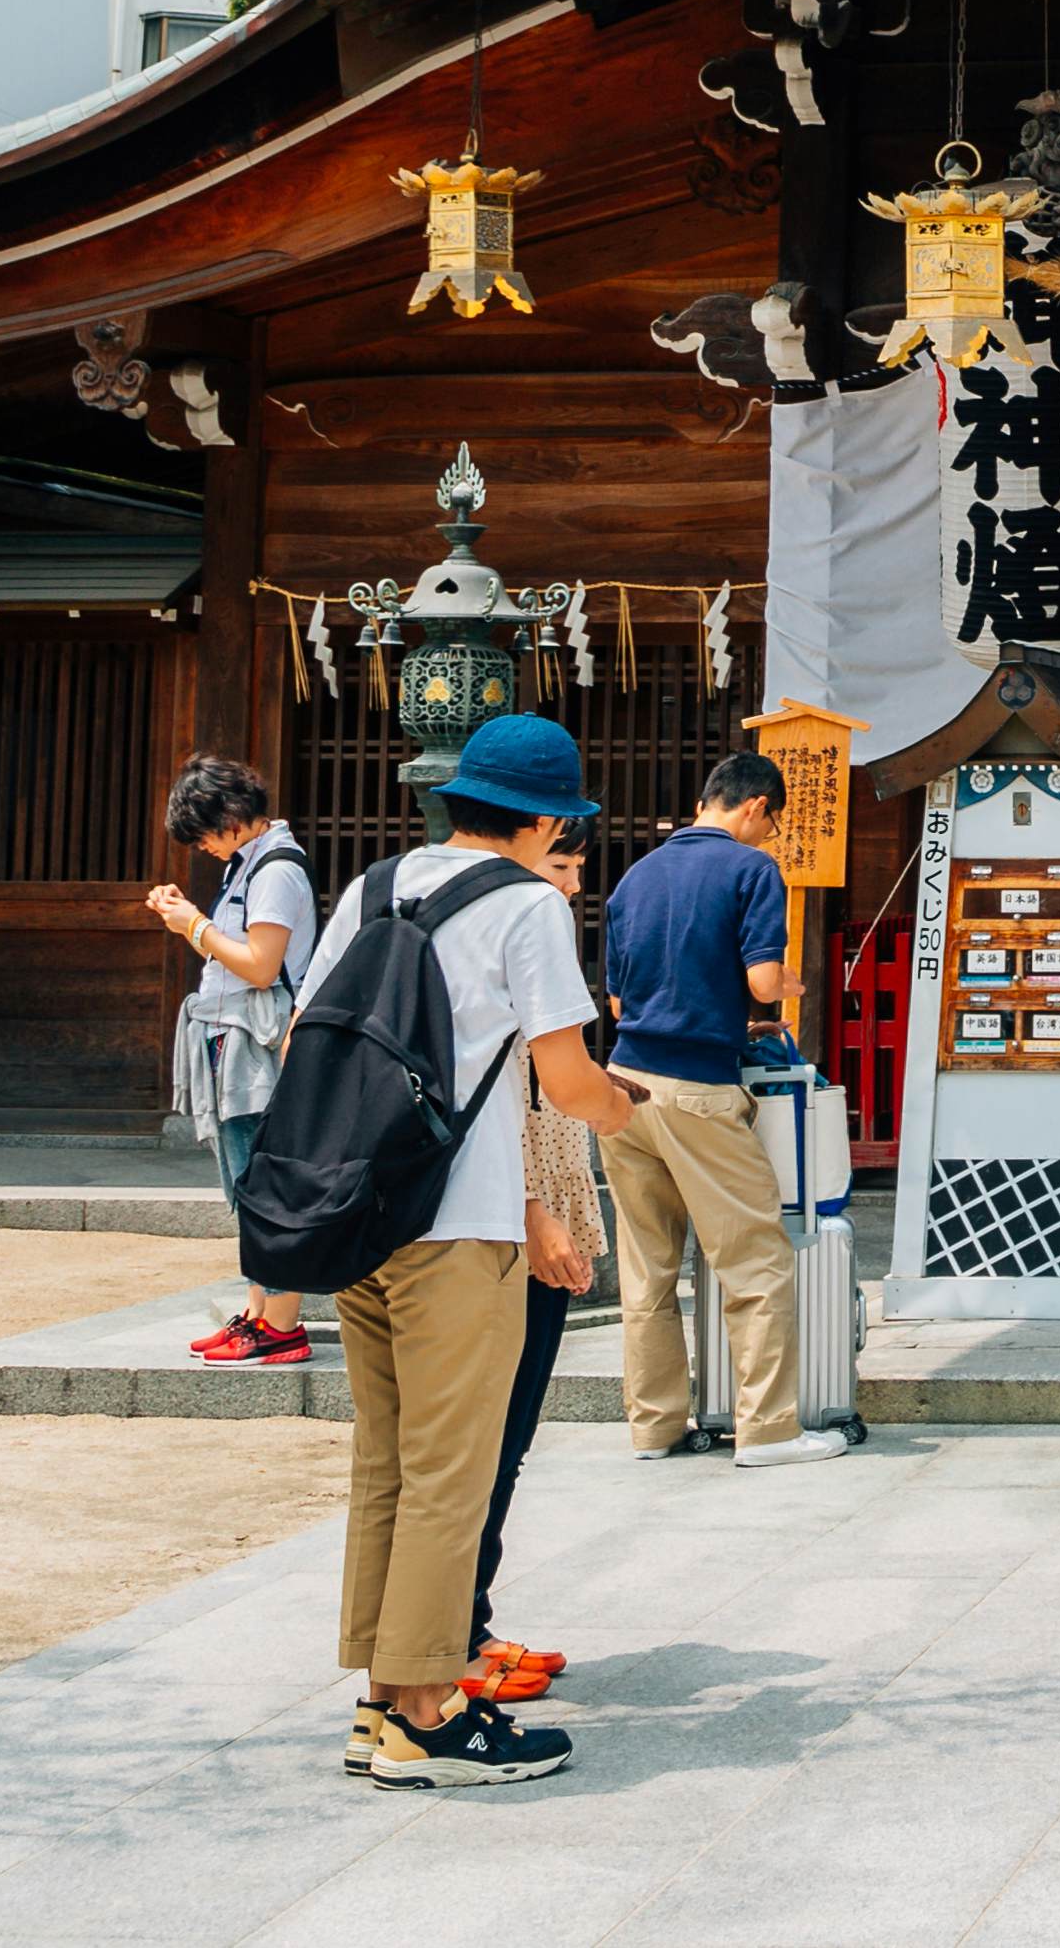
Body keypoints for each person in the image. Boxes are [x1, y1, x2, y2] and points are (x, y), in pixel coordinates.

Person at [301, 711, 633, 1790]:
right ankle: (429, 1716)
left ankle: (382, 1697)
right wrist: (636, 1112)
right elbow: (569, 1078)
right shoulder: (528, 905)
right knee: (454, 1469)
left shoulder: (372, 886)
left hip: (361, 1214)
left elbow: (310, 1026)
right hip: (459, 1223)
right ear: (545, 819)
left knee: (387, 1462)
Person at [602, 749, 835, 1467]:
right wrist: (788, 986)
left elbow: (620, 1001)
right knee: (756, 1258)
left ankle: (655, 1427)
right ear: (757, 805)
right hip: (698, 1090)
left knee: (648, 1270)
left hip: (624, 1086)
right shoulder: (750, 869)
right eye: (772, 823)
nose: (770, 838)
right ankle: (767, 1429)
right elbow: (763, 979)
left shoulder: (637, 875)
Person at [460, 827, 610, 1711]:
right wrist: (535, 1210)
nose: (574, 880)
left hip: (539, 1201)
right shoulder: (501, 943)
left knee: (508, 1440)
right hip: (509, 1214)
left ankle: (470, 1622)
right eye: (560, 861)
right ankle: (454, 1638)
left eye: (577, 864)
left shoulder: (533, 941)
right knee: (484, 1440)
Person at [149, 756, 316, 1365]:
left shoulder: (276, 870)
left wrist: (191, 926)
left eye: (203, 836)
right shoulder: (253, 864)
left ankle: (283, 1323)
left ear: (230, 818)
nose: (205, 850)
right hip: (234, 1036)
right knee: (246, 1184)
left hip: (256, 1042)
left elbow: (260, 965)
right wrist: (191, 918)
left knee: (263, 1184)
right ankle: (258, 1314)